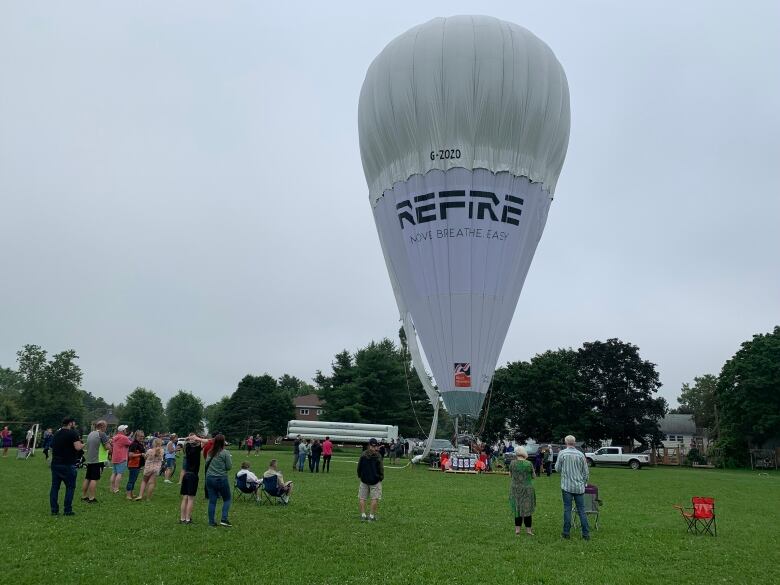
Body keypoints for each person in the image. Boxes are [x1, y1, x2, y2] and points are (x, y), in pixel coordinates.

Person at [555, 435, 591, 540]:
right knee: (581, 510)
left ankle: (566, 533)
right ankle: (586, 534)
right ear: (574, 443)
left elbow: (557, 468)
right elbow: (586, 472)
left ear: (566, 443)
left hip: (566, 486)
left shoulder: (562, 453)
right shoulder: (580, 454)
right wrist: (584, 483)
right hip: (579, 487)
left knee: (567, 509)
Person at [50, 417, 84, 516]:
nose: (74, 424)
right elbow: (77, 447)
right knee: (70, 487)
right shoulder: (73, 433)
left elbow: (52, 447)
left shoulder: (57, 433)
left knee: (55, 487)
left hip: (56, 463)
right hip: (68, 464)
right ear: (70, 423)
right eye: (74, 422)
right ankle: (67, 510)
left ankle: (54, 510)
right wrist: (82, 445)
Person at [180, 433, 208, 524]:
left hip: (186, 475)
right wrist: (197, 438)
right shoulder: (197, 448)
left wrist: (190, 438)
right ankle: (188, 519)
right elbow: (207, 441)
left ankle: (182, 518)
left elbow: (186, 442)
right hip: (193, 475)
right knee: (191, 498)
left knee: (184, 497)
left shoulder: (187, 447)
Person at [205, 434, 232, 527]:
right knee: (227, 499)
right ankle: (224, 519)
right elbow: (229, 467)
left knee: (212, 501)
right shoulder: (225, 453)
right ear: (223, 442)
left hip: (209, 478)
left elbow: (206, 464)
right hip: (221, 478)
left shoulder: (209, 452)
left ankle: (211, 522)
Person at [81, 420, 110, 503]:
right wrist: (110, 444)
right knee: (94, 479)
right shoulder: (102, 434)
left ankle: (84, 496)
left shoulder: (90, 434)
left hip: (90, 459)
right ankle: (92, 498)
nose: (106, 429)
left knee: (87, 478)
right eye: (105, 427)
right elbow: (107, 447)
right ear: (101, 426)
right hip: (98, 460)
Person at [509, 447, 536, 536]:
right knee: (527, 509)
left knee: (518, 509)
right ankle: (528, 531)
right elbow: (534, 476)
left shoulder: (512, 463)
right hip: (527, 489)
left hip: (515, 489)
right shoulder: (529, 463)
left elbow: (510, 475)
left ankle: (517, 530)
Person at [357, 438, 384, 522]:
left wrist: (360, 475)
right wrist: (381, 477)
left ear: (369, 445)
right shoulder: (378, 455)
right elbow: (381, 469)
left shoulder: (363, 454)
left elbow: (359, 467)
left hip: (364, 479)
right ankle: (371, 516)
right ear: (376, 445)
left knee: (362, 498)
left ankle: (363, 515)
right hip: (375, 480)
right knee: (374, 498)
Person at [109, 425, 132, 493]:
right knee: (119, 473)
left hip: (114, 457)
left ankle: (111, 488)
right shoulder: (124, 437)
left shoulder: (115, 437)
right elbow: (130, 443)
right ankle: (116, 488)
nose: (126, 430)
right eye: (125, 429)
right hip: (121, 457)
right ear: (123, 430)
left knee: (114, 473)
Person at [125, 430, 146, 500]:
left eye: (143, 436)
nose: (142, 437)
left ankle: (131, 493)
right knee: (131, 480)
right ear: (136, 436)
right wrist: (141, 454)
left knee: (133, 480)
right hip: (133, 465)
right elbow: (130, 455)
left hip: (137, 465)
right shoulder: (134, 444)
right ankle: (128, 495)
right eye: (140, 436)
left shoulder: (140, 444)